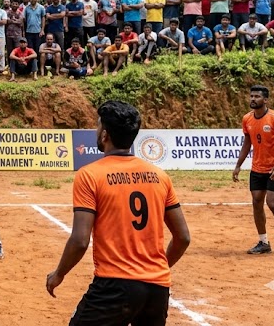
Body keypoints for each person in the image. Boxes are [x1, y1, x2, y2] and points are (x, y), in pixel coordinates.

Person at [46, 101, 190, 326]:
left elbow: (80, 240)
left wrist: (58, 274)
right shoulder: (160, 176)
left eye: (98, 126)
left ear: (105, 135)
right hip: (157, 289)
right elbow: (183, 237)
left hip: (114, 287)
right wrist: (154, 272)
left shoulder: (90, 175)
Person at [233, 85, 274, 255]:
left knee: (272, 203)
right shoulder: (247, 119)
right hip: (257, 168)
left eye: (257, 96)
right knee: (257, 202)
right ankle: (263, 242)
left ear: (265, 100)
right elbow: (247, 143)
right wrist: (238, 165)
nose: (253, 99)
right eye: (251, 96)